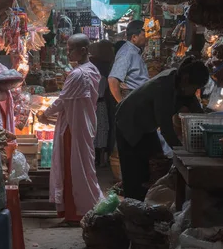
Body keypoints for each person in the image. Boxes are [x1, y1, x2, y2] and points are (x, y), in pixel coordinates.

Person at [115, 56, 209, 201]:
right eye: (195, 87)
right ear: (185, 79)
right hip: (128, 122)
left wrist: (206, 135)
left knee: (158, 164)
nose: (195, 91)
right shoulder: (163, 87)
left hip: (147, 125)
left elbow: (198, 115)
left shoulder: (181, 85)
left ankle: (150, 203)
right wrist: (183, 153)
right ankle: (133, 207)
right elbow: (166, 128)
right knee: (135, 172)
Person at [38, 34, 103, 225]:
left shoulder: (78, 74)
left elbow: (61, 101)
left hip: (73, 128)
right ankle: (80, 209)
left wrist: (43, 114)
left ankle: (79, 211)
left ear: (83, 50)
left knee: (74, 168)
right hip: (84, 124)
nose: (67, 53)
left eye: (70, 49)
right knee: (82, 166)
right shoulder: (92, 70)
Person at [108, 20, 149, 102]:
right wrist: (121, 104)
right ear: (134, 37)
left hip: (138, 95)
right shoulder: (127, 53)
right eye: (144, 35)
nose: (146, 38)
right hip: (133, 97)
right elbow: (112, 80)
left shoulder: (134, 51)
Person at [89, 40, 115, 166]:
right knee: (102, 129)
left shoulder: (95, 65)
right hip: (101, 102)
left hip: (98, 103)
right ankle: (101, 158)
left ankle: (98, 158)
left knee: (98, 129)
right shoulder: (106, 65)